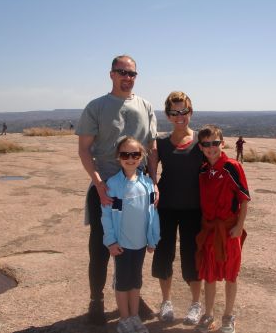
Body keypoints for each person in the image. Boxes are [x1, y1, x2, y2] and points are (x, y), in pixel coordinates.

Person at [76, 55, 158, 326]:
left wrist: (154, 182)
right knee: (102, 246)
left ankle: (134, 296)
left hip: (137, 190)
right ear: (111, 74)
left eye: (132, 73)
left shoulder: (145, 106)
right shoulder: (96, 107)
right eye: (122, 72)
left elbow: (152, 147)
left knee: (135, 245)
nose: (127, 77)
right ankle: (96, 299)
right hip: (107, 190)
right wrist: (99, 184)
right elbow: (84, 150)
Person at [151, 91, 204, 325]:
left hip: (194, 208)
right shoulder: (160, 142)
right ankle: (166, 302)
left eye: (184, 111)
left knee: (192, 257)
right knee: (164, 255)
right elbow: (151, 176)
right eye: (174, 112)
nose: (179, 116)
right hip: (167, 208)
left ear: (190, 112)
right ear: (168, 115)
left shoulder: (202, 141)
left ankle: (195, 304)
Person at [195, 125, 250, 333]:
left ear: (222, 143)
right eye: (206, 144)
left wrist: (239, 226)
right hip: (210, 230)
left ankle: (228, 316)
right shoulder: (202, 170)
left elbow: (244, 200)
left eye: (215, 143)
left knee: (230, 275)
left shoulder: (232, 167)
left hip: (228, 229)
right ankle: (208, 315)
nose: (211, 148)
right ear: (201, 147)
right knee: (209, 275)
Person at [102, 137, 160, 333]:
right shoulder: (113, 185)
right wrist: (110, 241)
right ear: (119, 157)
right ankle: (124, 319)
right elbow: (107, 216)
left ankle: (134, 317)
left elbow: (153, 214)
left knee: (136, 281)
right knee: (122, 283)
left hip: (141, 244)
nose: (130, 158)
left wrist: (152, 239)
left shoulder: (147, 184)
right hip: (122, 245)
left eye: (134, 154)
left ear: (141, 157)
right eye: (125, 154)